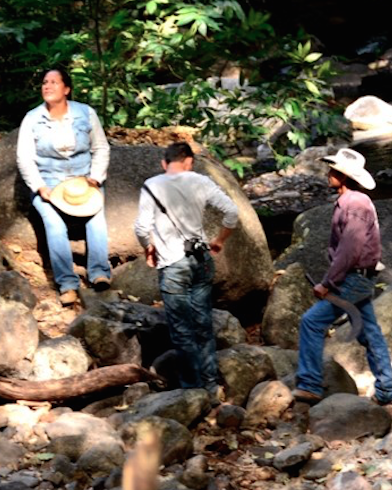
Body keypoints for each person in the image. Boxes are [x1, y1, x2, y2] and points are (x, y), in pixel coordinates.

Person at [134, 142, 239, 405]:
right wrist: (220, 240)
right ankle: (212, 386)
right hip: (201, 260)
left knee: (181, 330)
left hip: (172, 263)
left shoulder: (152, 185)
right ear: (190, 162)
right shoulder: (200, 182)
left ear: (163, 163)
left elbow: (141, 227)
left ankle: (192, 390)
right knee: (202, 324)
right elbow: (232, 212)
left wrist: (148, 247)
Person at [294, 147, 392, 409]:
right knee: (369, 332)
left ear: (344, 176)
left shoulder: (354, 204)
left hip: (354, 277)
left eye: (334, 170)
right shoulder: (351, 201)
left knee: (312, 322)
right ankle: (386, 390)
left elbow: (349, 251)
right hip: (360, 276)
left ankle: (309, 385)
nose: (329, 173)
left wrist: (327, 283)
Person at [16, 67, 111, 305]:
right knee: (55, 225)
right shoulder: (32, 118)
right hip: (49, 183)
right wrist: (38, 186)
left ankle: (99, 272)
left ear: (66, 89)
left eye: (54, 82)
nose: (47, 86)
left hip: (83, 182)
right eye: (45, 82)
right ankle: (66, 283)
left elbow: (100, 147)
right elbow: (24, 158)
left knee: (96, 219)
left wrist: (96, 177)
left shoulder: (85, 113)